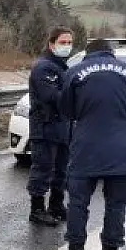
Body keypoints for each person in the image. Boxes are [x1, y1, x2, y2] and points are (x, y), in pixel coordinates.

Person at [57, 38, 126, 250]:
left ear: (88, 54)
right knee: (116, 206)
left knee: (78, 204)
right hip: (122, 150)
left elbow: (66, 110)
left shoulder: (76, 72)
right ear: (110, 54)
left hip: (85, 147)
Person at [26, 27, 74, 226]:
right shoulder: (43, 67)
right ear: (51, 44)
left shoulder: (63, 67)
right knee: (43, 168)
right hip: (45, 126)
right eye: (63, 42)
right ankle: (37, 209)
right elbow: (51, 96)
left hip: (62, 126)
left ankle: (56, 205)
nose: (67, 46)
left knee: (61, 169)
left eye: (70, 43)